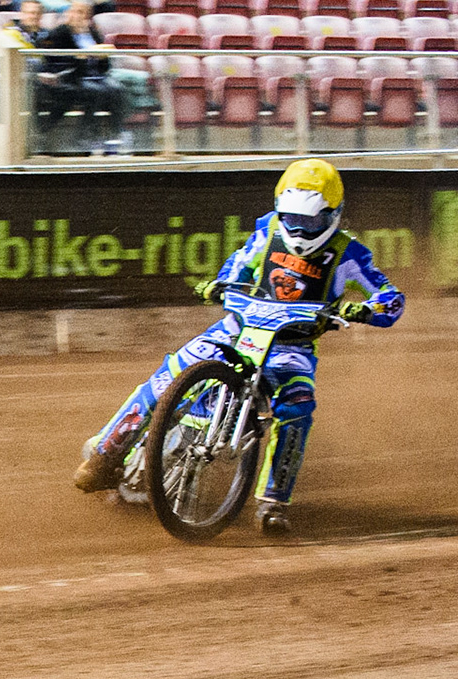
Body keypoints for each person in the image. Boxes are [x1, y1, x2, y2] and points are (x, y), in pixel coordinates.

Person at [72, 159, 403, 534]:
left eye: (310, 221)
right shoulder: (268, 230)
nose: (298, 228)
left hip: (290, 349)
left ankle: (273, 503)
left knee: (297, 408)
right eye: (292, 217)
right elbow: (238, 265)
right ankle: (105, 454)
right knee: (167, 377)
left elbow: (391, 297)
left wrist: (364, 310)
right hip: (235, 328)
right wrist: (221, 283)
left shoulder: (350, 253)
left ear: (333, 215)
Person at [36, 2, 127, 152]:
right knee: (96, 91)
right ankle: (83, 137)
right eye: (75, 11)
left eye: (82, 13)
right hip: (74, 77)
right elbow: (56, 62)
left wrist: (103, 58)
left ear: (87, 16)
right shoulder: (61, 33)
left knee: (118, 89)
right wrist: (80, 58)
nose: (77, 16)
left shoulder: (92, 32)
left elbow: (105, 67)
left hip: (96, 76)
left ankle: (114, 137)